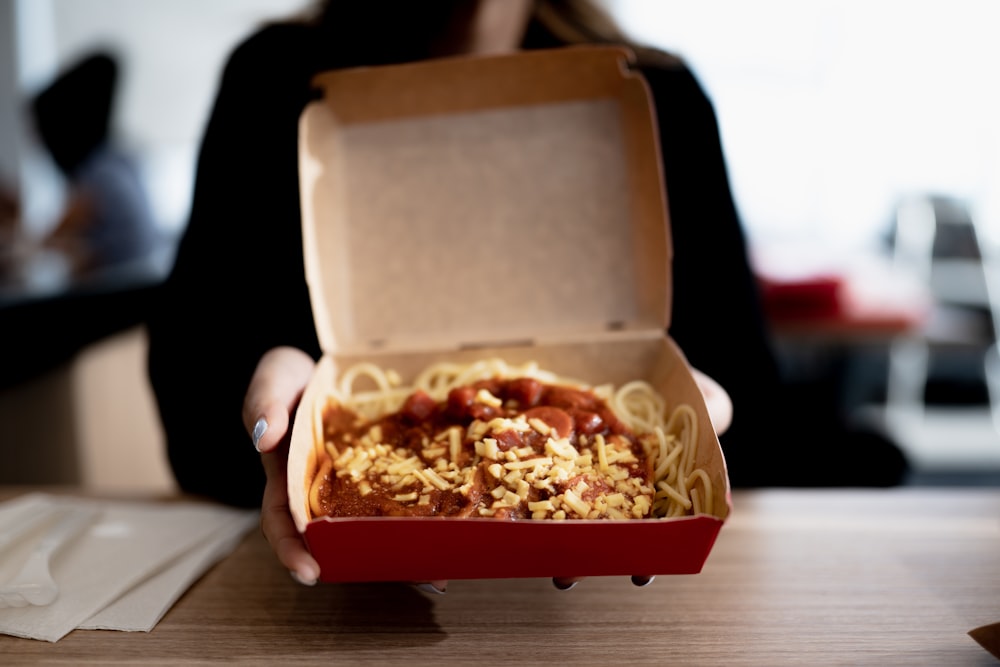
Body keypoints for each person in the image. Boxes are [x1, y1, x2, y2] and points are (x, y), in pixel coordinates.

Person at [147, 0, 906, 593]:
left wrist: (705, 420)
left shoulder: (655, 96)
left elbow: (745, 402)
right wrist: (281, 418)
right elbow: (192, 415)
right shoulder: (272, 81)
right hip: (319, 609)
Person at [29, 50, 159, 281]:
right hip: (138, 282)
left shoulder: (98, 178)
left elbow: (45, 243)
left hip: (122, 291)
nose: (35, 143)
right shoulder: (119, 161)